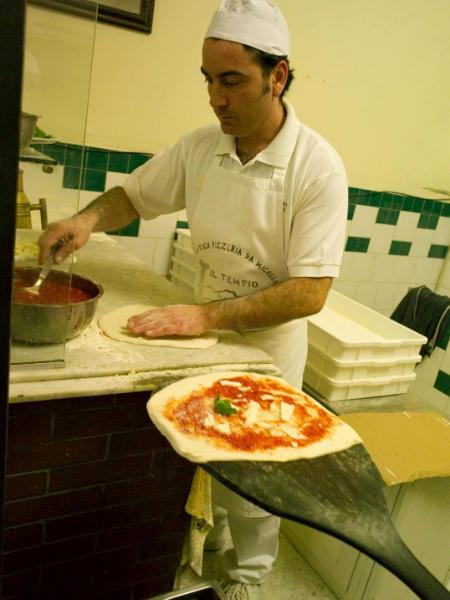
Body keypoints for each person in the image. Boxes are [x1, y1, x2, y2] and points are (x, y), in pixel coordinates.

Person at [39, 1, 348, 598]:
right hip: (203, 335)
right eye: (208, 80)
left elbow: (310, 292)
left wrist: (204, 314)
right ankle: (196, 545)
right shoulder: (202, 147)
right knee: (198, 450)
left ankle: (248, 580)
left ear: (277, 75)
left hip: (267, 352)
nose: (216, 98)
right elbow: (133, 195)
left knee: (256, 476)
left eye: (232, 81)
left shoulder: (317, 168)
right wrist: (86, 219)